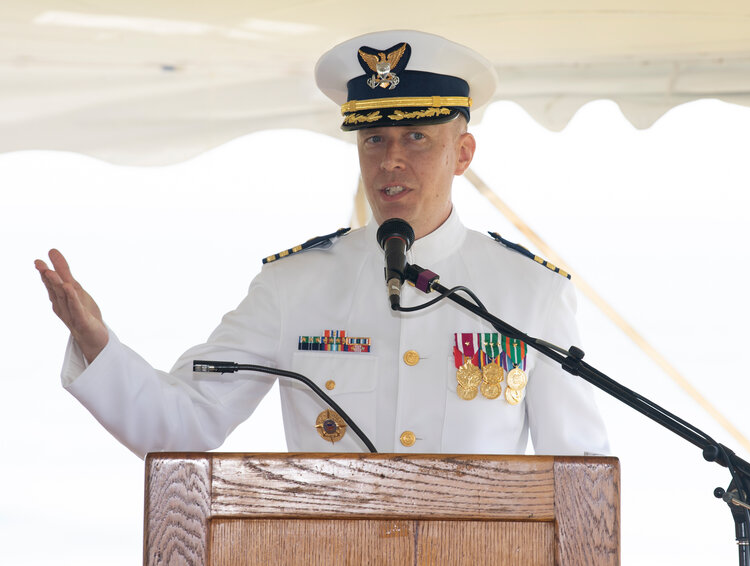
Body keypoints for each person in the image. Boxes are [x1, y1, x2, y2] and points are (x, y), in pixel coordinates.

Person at [34, 30, 609, 458]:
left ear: (463, 154)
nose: (392, 161)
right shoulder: (293, 286)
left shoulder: (532, 292)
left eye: (417, 137)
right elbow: (182, 426)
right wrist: (97, 344)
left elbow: (579, 472)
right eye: (374, 139)